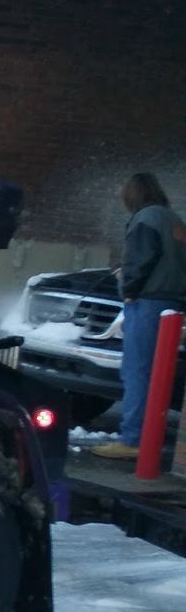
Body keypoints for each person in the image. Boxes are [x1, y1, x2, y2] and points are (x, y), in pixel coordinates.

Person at [94, 172, 186, 459]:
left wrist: (129, 288)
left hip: (147, 304)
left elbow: (141, 258)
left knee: (136, 371)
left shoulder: (144, 218)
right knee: (158, 374)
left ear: (132, 195)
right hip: (172, 304)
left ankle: (132, 439)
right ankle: (148, 437)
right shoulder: (174, 220)